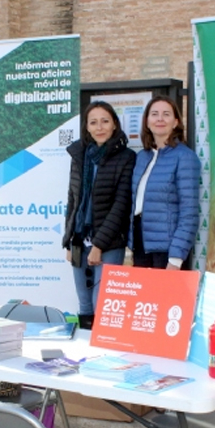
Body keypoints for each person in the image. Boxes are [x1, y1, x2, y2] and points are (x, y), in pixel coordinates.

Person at [63, 101, 136, 329]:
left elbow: (121, 206)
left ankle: (103, 356)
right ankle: (86, 353)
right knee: (84, 306)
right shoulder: (79, 156)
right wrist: (68, 240)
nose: (99, 127)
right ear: (87, 127)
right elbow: (73, 199)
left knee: (102, 305)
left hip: (109, 244)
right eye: (93, 122)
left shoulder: (126, 157)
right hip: (78, 241)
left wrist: (99, 245)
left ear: (114, 124)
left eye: (105, 121)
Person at [129, 96, 200, 270]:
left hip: (167, 249)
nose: (160, 119)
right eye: (154, 114)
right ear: (147, 121)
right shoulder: (142, 157)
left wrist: (176, 258)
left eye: (166, 114)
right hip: (141, 243)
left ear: (175, 122)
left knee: (164, 297)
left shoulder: (185, 157)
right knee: (143, 297)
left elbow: (189, 212)